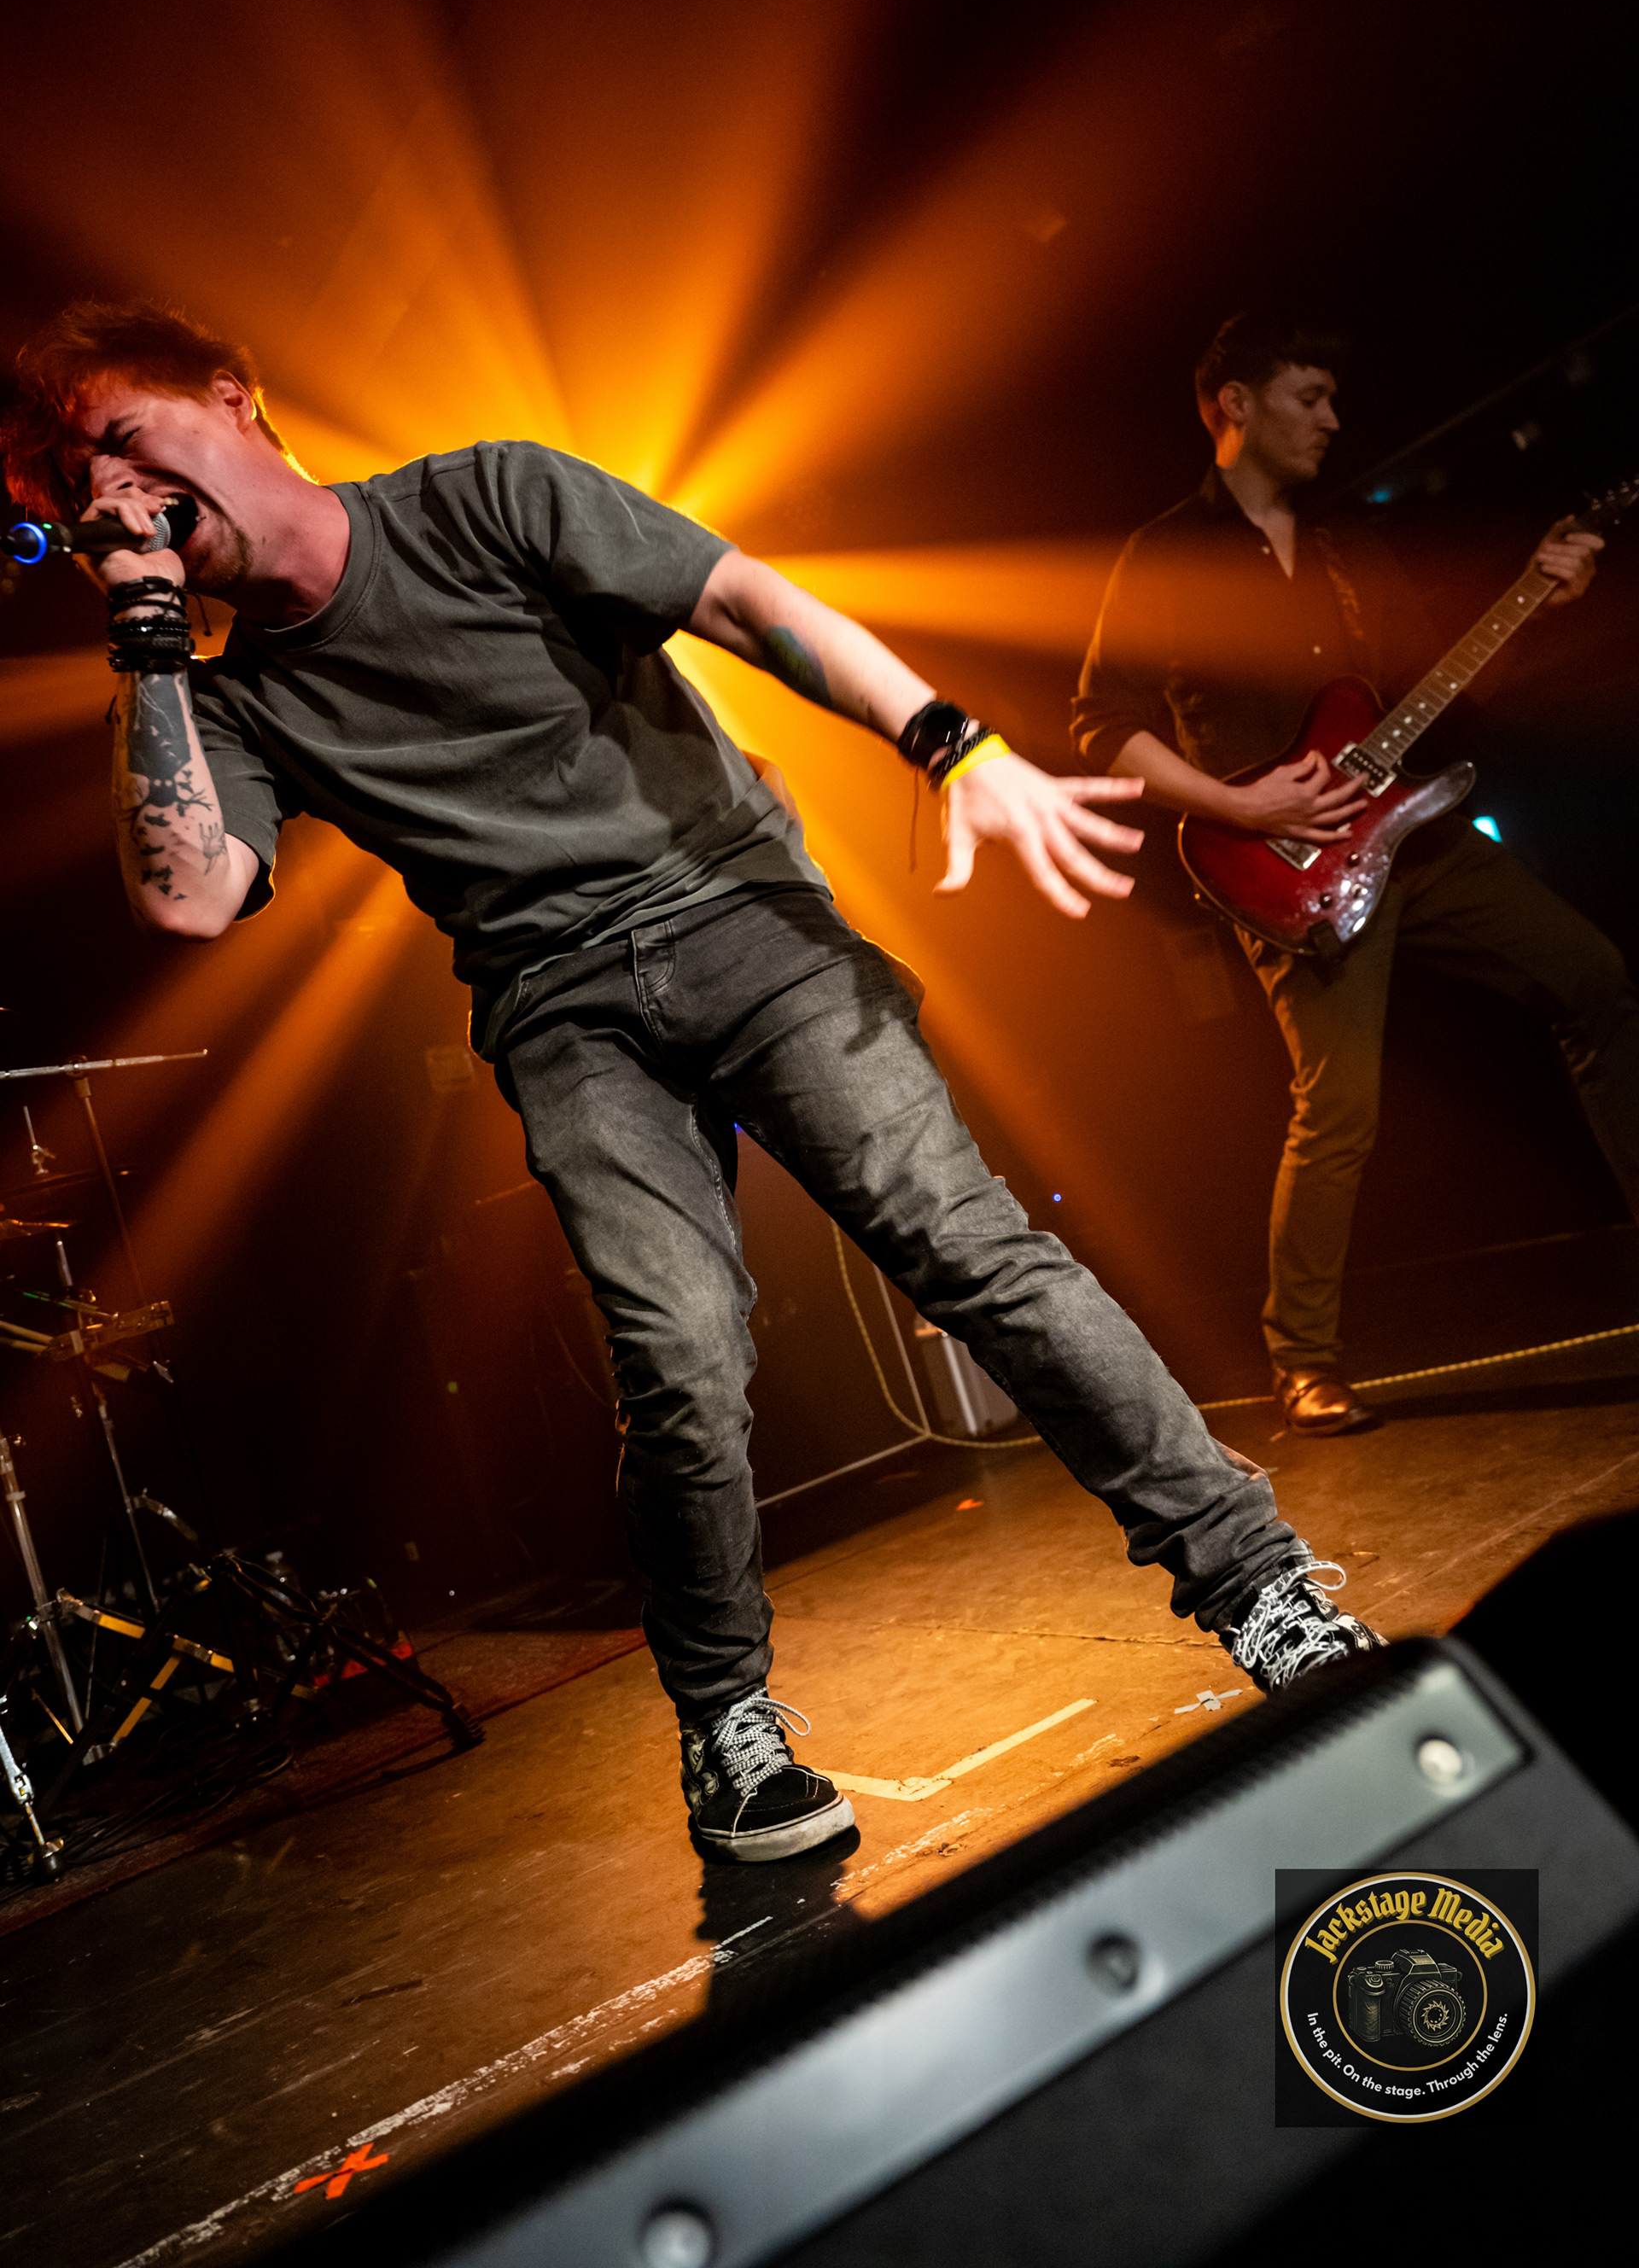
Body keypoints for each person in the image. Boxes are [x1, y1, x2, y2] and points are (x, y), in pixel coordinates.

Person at [3, 300, 1382, 1865]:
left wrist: (954, 746)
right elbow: (188, 897)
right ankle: (730, 1732)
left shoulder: (484, 496)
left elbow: (744, 599)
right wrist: (144, 634)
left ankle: (1260, 1587)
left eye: (122, 439)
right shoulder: (228, 698)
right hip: (562, 1008)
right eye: (76, 487)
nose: (110, 495)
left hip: (741, 916)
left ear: (232, 399)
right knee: (677, 1361)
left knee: (967, 1246)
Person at [1073, 311, 1635, 1436]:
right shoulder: (1164, 554)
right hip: (1280, 866)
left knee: (1598, 981)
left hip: (1414, 842)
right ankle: (1303, 1360)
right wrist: (1243, 804)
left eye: (1333, 398)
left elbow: (1438, 684)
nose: (1333, 419)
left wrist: (1533, 594)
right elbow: (1102, 726)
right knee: (1340, 1109)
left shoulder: (1346, 546)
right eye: (1310, 397)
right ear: (1236, 405)